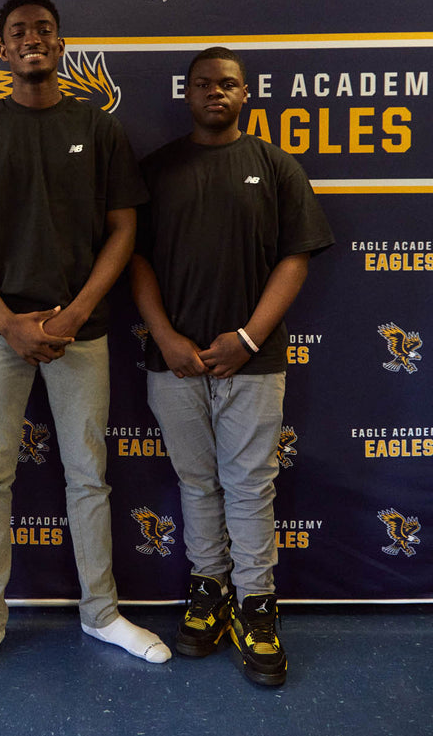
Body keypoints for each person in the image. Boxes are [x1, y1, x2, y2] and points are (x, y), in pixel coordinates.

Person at [0, 0, 170, 682]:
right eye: (18, 31)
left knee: (89, 473)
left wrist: (75, 313)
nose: (31, 38)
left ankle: (101, 613)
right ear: (3, 50)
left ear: (60, 45)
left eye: (43, 29)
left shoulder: (98, 129)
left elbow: (124, 230)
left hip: (80, 330)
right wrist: (8, 321)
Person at [129, 47, 333, 687]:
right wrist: (165, 337)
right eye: (202, 84)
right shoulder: (156, 170)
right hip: (176, 362)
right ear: (186, 94)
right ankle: (208, 589)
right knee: (196, 483)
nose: (214, 92)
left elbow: (296, 258)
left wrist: (247, 337)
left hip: (254, 359)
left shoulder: (274, 165)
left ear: (246, 94)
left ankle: (256, 604)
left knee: (249, 486)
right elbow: (135, 259)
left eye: (227, 84)